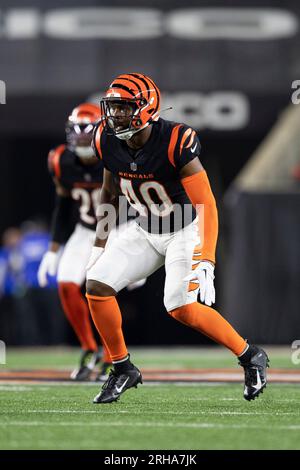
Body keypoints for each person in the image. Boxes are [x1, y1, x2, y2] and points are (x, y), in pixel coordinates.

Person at [85, 73, 269, 403]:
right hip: (143, 228)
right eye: (112, 108)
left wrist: (208, 259)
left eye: (124, 109)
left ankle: (250, 355)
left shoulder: (174, 140)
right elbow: (110, 192)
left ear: (145, 109)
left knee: (180, 307)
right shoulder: (106, 139)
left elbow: (207, 204)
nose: (115, 116)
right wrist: (100, 244)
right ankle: (123, 368)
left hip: (184, 228)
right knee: (96, 285)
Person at [38, 103, 112, 381]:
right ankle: (89, 348)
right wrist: (53, 250)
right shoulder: (61, 161)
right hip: (84, 231)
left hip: (116, 230)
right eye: (77, 132)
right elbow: (63, 206)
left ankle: (112, 355)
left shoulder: (113, 157)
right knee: (67, 285)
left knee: (102, 291)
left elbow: (133, 200)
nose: (81, 138)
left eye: (87, 131)